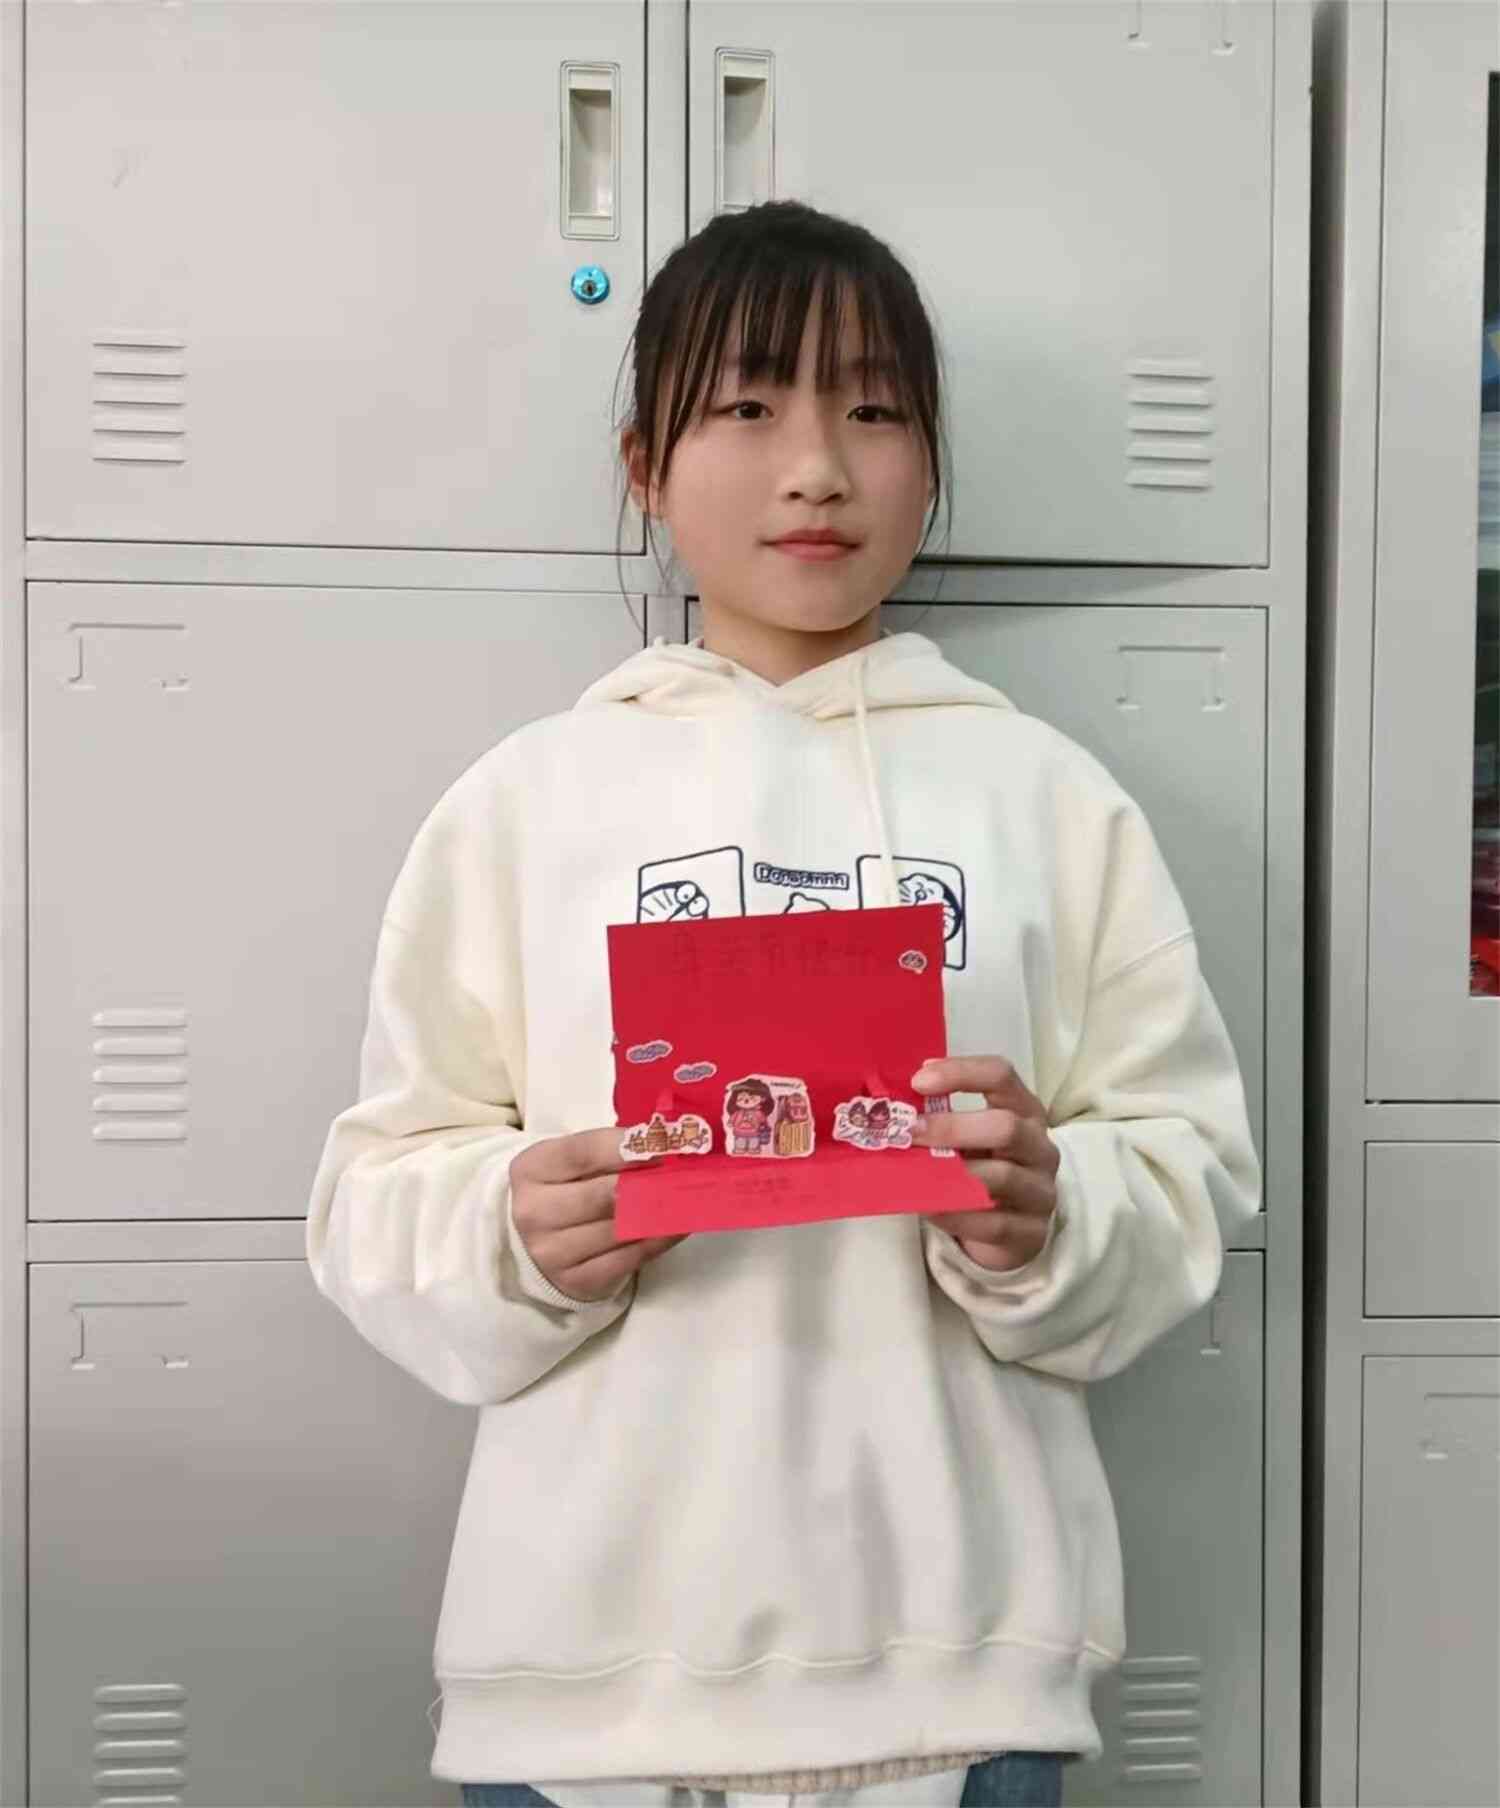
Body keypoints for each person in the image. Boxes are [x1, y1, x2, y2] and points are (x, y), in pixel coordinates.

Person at [304, 199, 1262, 1808]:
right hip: (582, 1691)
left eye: (873, 411)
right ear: (645, 465)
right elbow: (371, 1197)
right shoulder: (525, 805)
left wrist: (1049, 1215)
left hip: (960, 1680)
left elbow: (1189, 1168)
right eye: (748, 407)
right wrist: (514, 1231)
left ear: (930, 467)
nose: (815, 466)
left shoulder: (1045, 797)